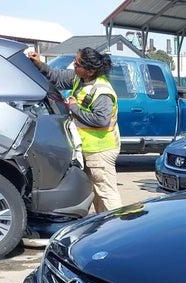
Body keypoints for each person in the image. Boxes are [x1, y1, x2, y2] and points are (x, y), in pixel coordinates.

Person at [28, 48, 122, 213]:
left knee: (106, 193)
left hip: (100, 150)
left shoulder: (102, 92)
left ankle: (117, 225)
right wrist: (39, 64)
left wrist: (74, 107)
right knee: (96, 193)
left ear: (90, 71)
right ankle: (104, 224)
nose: (74, 65)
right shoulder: (79, 78)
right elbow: (57, 76)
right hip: (88, 149)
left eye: (77, 64)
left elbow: (101, 120)